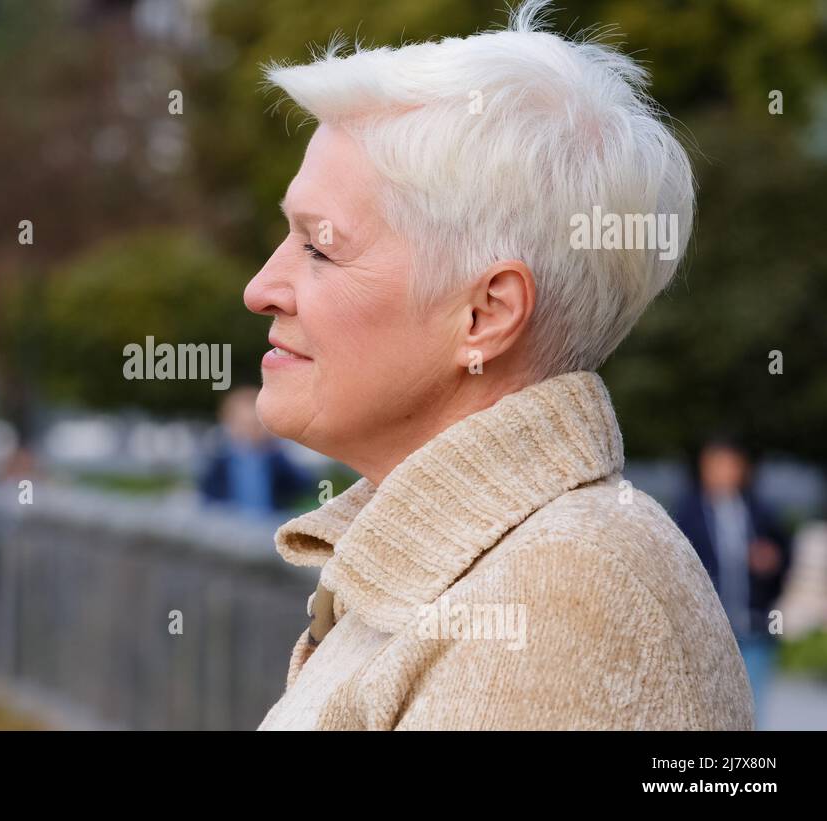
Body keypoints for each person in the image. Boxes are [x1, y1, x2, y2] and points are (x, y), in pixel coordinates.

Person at [248, 0, 753, 729]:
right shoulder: (505, 568)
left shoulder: (557, 599)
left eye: (320, 248)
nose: (260, 288)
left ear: (485, 315)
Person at [672, 436, 791, 728]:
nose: (724, 472)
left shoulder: (761, 511)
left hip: (754, 625)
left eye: (731, 465)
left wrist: (771, 561)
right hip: (708, 629)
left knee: (751, 708)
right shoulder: (687, 514)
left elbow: (785, 552)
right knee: (708, 708)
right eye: (717, 465)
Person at [198, 386, 313, 517]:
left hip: (268, 523)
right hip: (230, 526)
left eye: (256, 425)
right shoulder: (219, 462)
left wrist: (274, 448)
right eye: (243, 425)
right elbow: (208, 497)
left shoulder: (275, 458)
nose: (250, 432)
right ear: (228, 425)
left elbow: (303, 484)